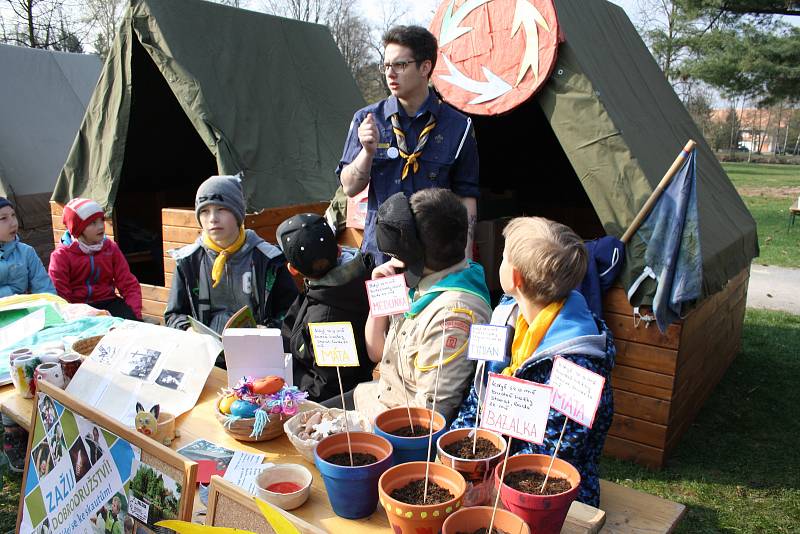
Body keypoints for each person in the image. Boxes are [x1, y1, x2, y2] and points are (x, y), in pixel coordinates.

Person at [450, 217, 616, 507]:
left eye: (503, 256)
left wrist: (492, 478)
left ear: (515, 278)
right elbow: (479, 394)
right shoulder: (504, 315)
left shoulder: (579, 362)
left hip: (548, 496)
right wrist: (457, 452)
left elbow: (556, 453)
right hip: (488, 469)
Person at [348, 189, 491, 423]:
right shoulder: (426, 283)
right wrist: (380, 300)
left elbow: (430, 419)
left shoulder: (452, 315)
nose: (391, 259)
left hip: (399, 426)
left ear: (415, 255)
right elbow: (376, 352)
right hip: (378, 396)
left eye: (397, 252)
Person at [338, 25, 479, 260]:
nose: (390, 74)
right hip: (382, 256)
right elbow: (349, 187)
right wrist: (366, 153)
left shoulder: (458, 126)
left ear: (425, 67)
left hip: (436, 256)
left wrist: (465, 261)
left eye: (400, 65)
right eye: (386, 66)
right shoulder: (368, 119)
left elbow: (466, 197)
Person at [164, 175, 297, 334]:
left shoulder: (269, 259)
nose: (213, 219)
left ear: (238, 214)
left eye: (222, 209)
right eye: (205, 211)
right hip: (207, 351)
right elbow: (173, 314)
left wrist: (269, 329)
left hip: (256, 349)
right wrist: (187, 329)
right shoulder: (188, 261)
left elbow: (291, 312)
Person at [277, 213, 375, 402]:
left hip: (333, 404)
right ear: (339, 250)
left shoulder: (327, 318)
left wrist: (286, 380)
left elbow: (330, 387)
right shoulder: (339, 282)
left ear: (293, 269)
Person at [48, 198, 142, 320]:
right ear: (78, 228)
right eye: (92, 222)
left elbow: (128, 284)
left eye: (102, 220)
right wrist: (69, 318)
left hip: (108, 302)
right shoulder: (61, 256)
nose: (100, 226)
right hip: (78, 308)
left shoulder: (110, 248)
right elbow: (60, 294)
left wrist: (135, 314)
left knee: (130, 325)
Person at [0, 196, 55, 296]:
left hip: (23, 309)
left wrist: (50, 307)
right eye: (3, 218)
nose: (13, 223)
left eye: (13, 215)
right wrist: (10, 293)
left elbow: (44, 288)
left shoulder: (26, 252)